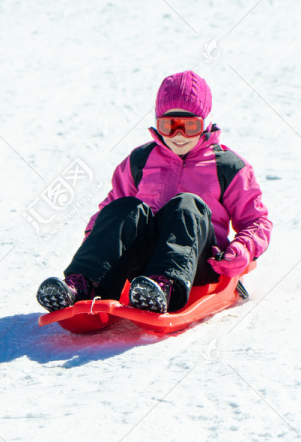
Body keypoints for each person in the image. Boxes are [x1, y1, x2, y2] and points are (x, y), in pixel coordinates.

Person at [36, 70, 272, 314]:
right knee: (126, 208)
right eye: (169, 126)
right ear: (157, 124)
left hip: (197, 264)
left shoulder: (227, 166)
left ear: (205, 123)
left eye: (189, 126)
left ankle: (165, 285)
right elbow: (110, 211)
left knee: (187, 204)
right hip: (141, 267)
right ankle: (84, 285)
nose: (178, 136)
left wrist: (241, 248)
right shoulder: (140, 160)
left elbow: (256, 220)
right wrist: (95, 240)